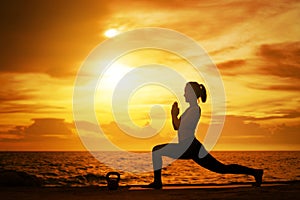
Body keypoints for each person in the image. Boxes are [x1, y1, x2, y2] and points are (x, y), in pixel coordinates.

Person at [145, 82, 263, 189]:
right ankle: (255, 172)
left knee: (157, 150)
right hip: (189, 146)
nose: (184, 94)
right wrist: (174, 115)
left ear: (192, 94)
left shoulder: (195, 110)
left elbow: (179, 125)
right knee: (221, 168)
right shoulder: (189, 110)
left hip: (190, 146)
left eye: (186, 92)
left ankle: (157, 182)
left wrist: (173, 114)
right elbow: (176, 127)